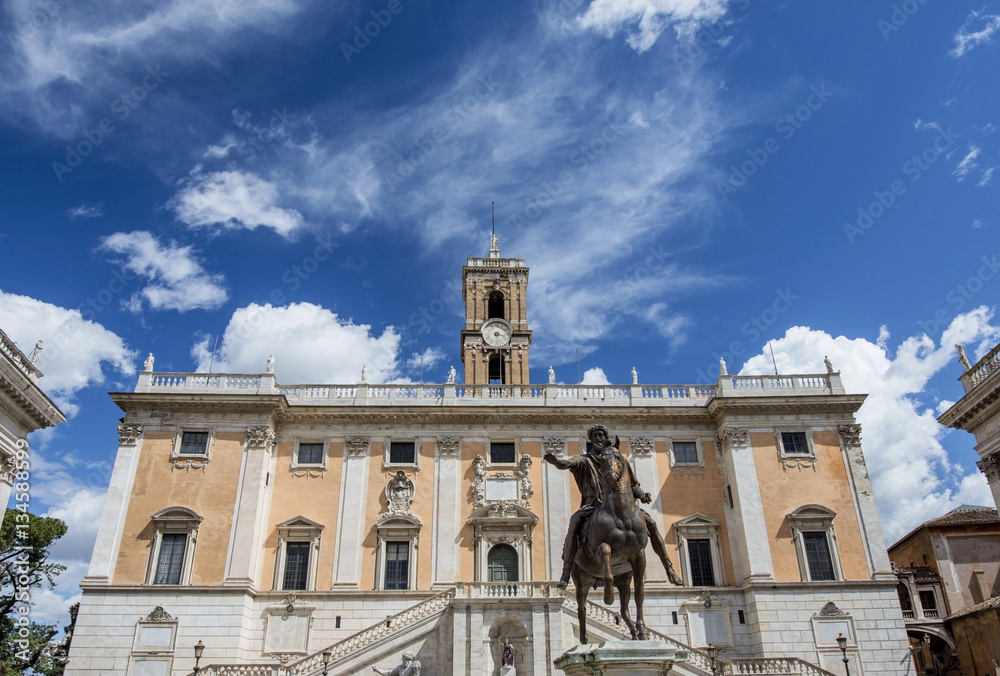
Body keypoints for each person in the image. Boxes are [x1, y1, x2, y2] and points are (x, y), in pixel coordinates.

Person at [544, 424, 683, 587]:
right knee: (574, 523)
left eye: (601, 435)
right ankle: (566, 572)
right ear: (590, 439)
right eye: (595, 435)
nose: (598, 438)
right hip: (593, 505)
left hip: (622, 506)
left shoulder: (618, 459)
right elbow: (566, 464)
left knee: (651, 523)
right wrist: (555, 461)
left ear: (605, 438)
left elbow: (631, 484)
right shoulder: (584, 460)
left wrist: (642, 494)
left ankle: (669, 567)